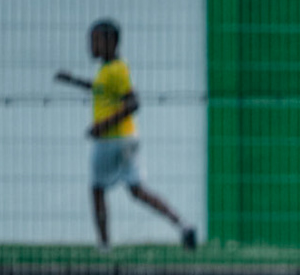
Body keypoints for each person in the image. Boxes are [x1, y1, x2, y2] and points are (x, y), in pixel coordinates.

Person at [55, 19, 196, 251]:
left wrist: (102, 126)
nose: (92, 46)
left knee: (97, 189)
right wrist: (74, 81)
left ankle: (104, 245)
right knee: (137, 190)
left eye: (96, 41)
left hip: (112, 139)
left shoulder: (117, 69)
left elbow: (133, 103)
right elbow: (103, 90)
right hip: (128, 138)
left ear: (112, 42)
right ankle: (183, 226)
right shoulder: (110, 69)